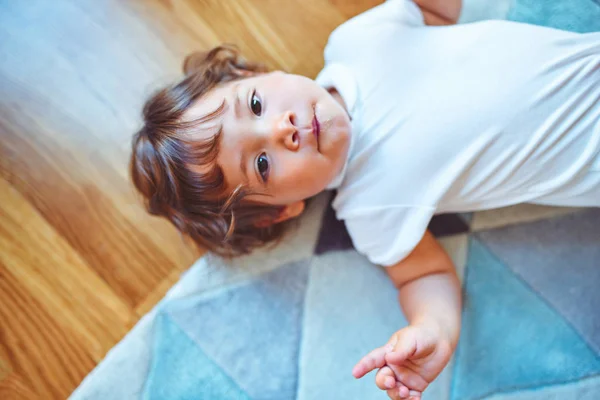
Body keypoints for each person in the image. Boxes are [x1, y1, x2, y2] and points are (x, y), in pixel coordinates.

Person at [129, 1, 600, 398]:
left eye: (254, 105)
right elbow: (426, 273)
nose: (281, 129)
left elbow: (437, 10)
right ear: (283, 209)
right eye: (263, 165)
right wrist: (432, 330)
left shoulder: (357, 42)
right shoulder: (369, 211)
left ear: (257, 73)